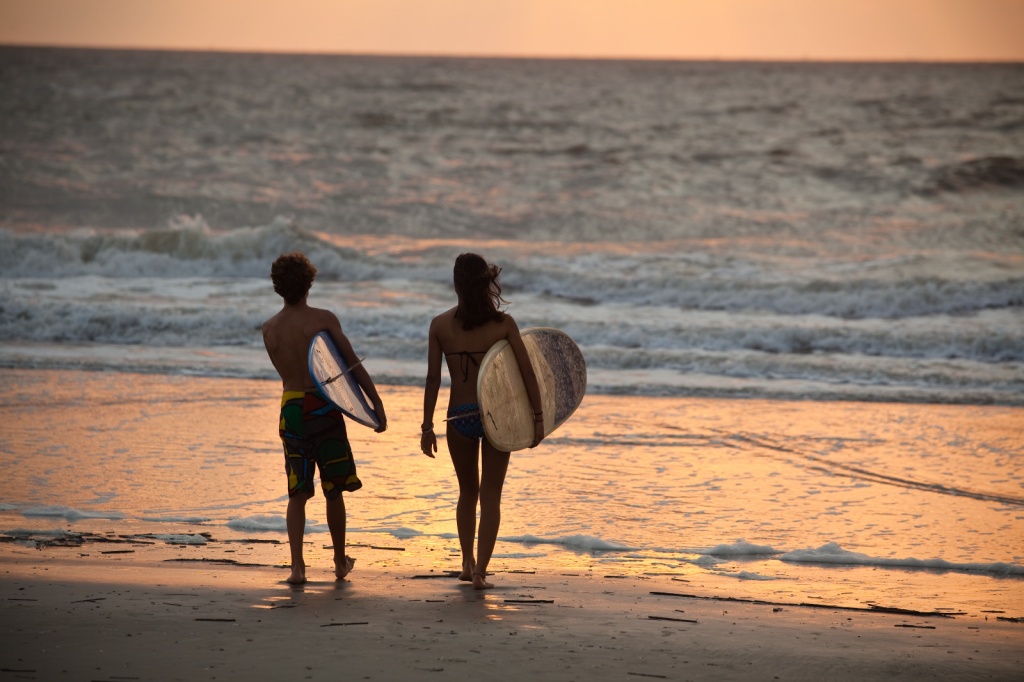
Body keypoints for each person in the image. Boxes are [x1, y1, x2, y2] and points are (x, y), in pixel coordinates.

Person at [262, 252, 388, 585]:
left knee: (297, 492)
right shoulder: (323, 319)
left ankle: (297, 568)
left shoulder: (270, 329)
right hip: (322, 408)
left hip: (290, 409)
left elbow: (285, 371)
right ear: (309, 282)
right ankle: (338, 560)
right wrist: (374, 404)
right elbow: (350, 366)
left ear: (277, 286)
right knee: (334, 489)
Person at [420, 253, 544, 590]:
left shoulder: (439, 325)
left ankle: (466, 562)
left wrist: (427, 426)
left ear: (456, 283)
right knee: (491, 496)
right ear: (484, 282)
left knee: (466, 493)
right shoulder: (503, 324)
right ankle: (480, 573)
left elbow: (433, 379)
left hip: (459, 416)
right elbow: (527, 372)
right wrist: (537, 417)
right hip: (497, 417)